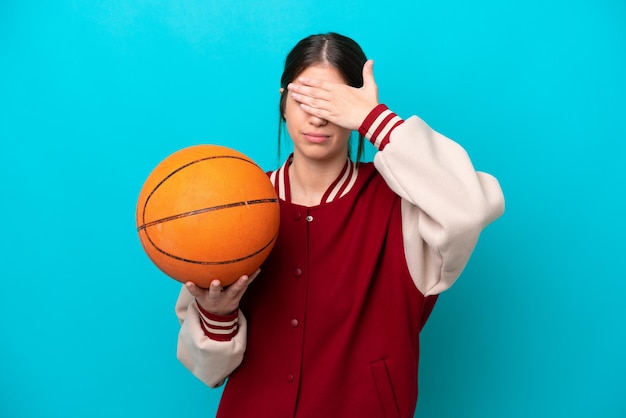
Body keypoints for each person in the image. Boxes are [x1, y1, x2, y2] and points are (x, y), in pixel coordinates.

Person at [175, 32, 505, 418]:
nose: (316, 115)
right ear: (283, 101)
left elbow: (470, 206)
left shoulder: (404, 205)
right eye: (305, 97)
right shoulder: (237, 203)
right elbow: (207, 370)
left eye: (333, 101)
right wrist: (218, 315)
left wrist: (375, 120)